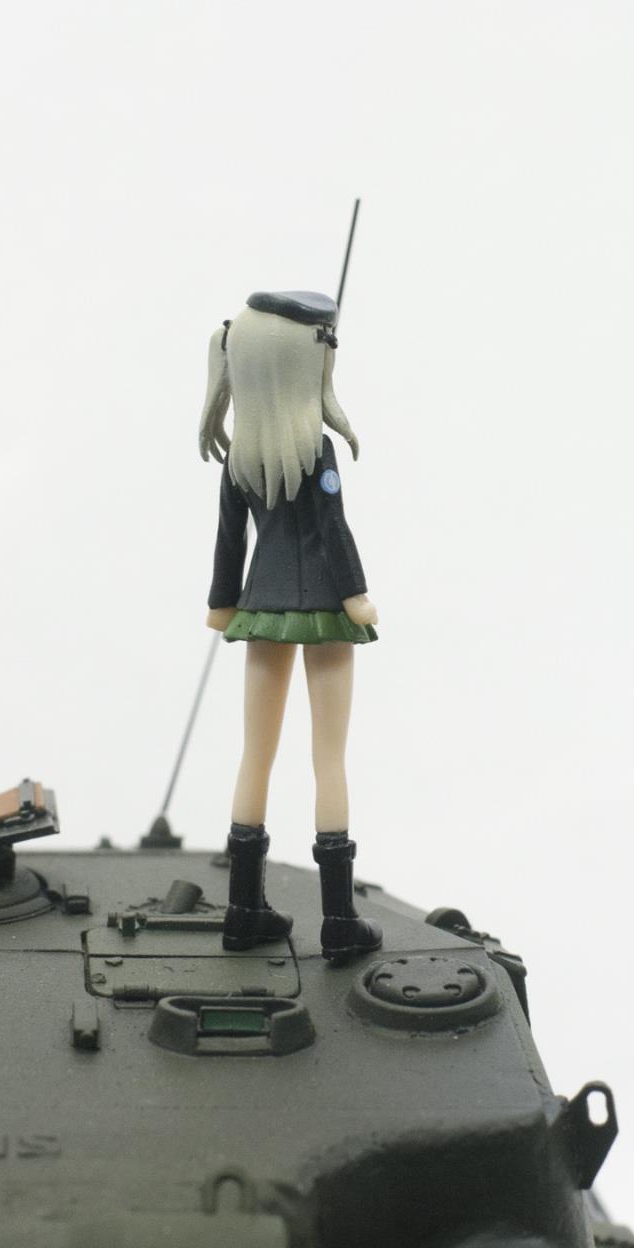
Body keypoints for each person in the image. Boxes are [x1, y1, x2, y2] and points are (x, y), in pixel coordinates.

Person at [199, 290, 382, 963]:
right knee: (328, 757)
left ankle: (243, 909)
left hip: (260, 611)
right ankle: (338, 919)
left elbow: (229, 540)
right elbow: (334, 532)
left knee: (256, 754)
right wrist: (356, 595)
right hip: (326, 611)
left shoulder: (240, 455)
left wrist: (222, 602)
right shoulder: (316, 451)